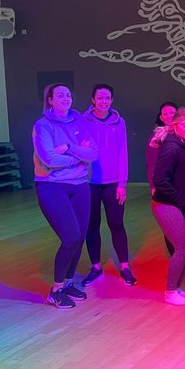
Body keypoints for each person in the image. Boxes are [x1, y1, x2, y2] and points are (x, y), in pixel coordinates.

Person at [33, 83, 98, 309]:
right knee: (70, 237)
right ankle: (56, 290)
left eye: (68, 95)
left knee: (79, 238)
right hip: (52, 186)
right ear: (50, 100)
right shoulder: (42, 125)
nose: (65, 98)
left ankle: (68, 283)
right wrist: (80, 156)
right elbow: (49, 159)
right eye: (60, 95)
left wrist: (69, 147)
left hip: (80, 185)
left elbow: (93, 153)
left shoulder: (80, 122)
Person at [81, 84, 136, 287]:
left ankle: (125, 266)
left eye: (107, 98)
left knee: (117, 224)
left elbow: (122, 152)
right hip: (89, 183)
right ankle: (95, 267)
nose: (104, 101)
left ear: (111, 100)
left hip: (113, 183)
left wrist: (122, 184)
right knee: (91, 225)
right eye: (100, 98)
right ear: (93, 100)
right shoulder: (83, 121)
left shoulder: (119, 122)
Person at [151, 108, 185, 305]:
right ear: (175, 125)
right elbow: (159, 180)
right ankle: (170, 292)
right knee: (183, 246)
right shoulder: (171, 148)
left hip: (182, 203)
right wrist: (178, 200)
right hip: (167, 204)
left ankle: (177, 288)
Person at [146, 101, 178, 258]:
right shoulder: (157, 137)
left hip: (183, 185)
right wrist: (153, 186)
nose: (169, 116)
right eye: (166, 113)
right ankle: (176, 258)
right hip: (166, 186)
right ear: (161, 117)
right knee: (170, 224)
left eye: (172, 113)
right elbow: (151, 164)